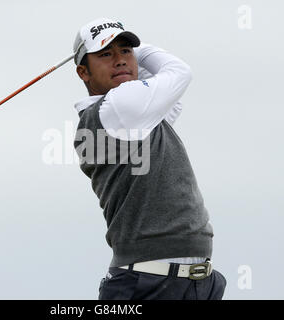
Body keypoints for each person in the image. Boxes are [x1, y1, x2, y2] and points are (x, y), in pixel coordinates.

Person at [72, 18, 227, 300]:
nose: (120, 60)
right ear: (83, 72)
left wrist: (120, 57)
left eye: (126, 51)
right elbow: (179, 71)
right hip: (149, 285)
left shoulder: (137, 113)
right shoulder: (120, 107)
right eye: (106, 54)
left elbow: (169, 88)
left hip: (191, 283)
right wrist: (137, 53)